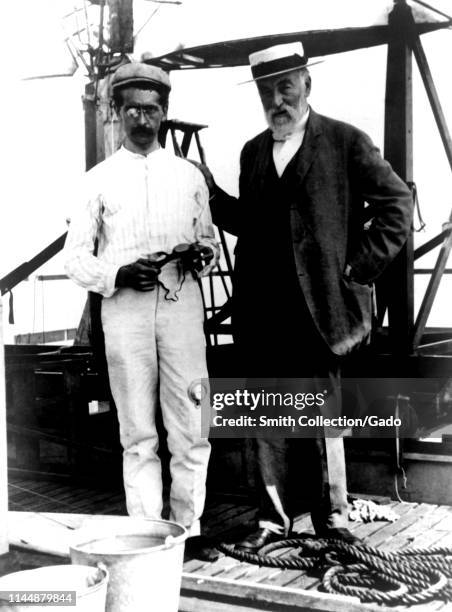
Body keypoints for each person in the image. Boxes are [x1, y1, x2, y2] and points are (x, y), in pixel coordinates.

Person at [199, 42, 413, 551]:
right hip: (264, 310)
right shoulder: (253, 152)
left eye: (286, 87)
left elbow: (397, 205)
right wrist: (209, 194)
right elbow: (249, 224)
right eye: (267, 91)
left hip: (322, 308)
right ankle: (272, 523)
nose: (277, 100)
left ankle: (333, 518)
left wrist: (356, 269)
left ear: (306, 85)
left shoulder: (344, 141)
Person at [64, 62, 220, 558]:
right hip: (125, 311)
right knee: (137, 432)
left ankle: (188, 531)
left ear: (164, 113)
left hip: (181, 305)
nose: (142, 119)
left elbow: (208, 239)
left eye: (151, 110)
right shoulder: (97, 181)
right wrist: (118, 275)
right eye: (131, 109)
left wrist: (203, 255)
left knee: (192, 424)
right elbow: (75, 258)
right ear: (116, 111)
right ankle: (151, 537)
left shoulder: (188, 175)